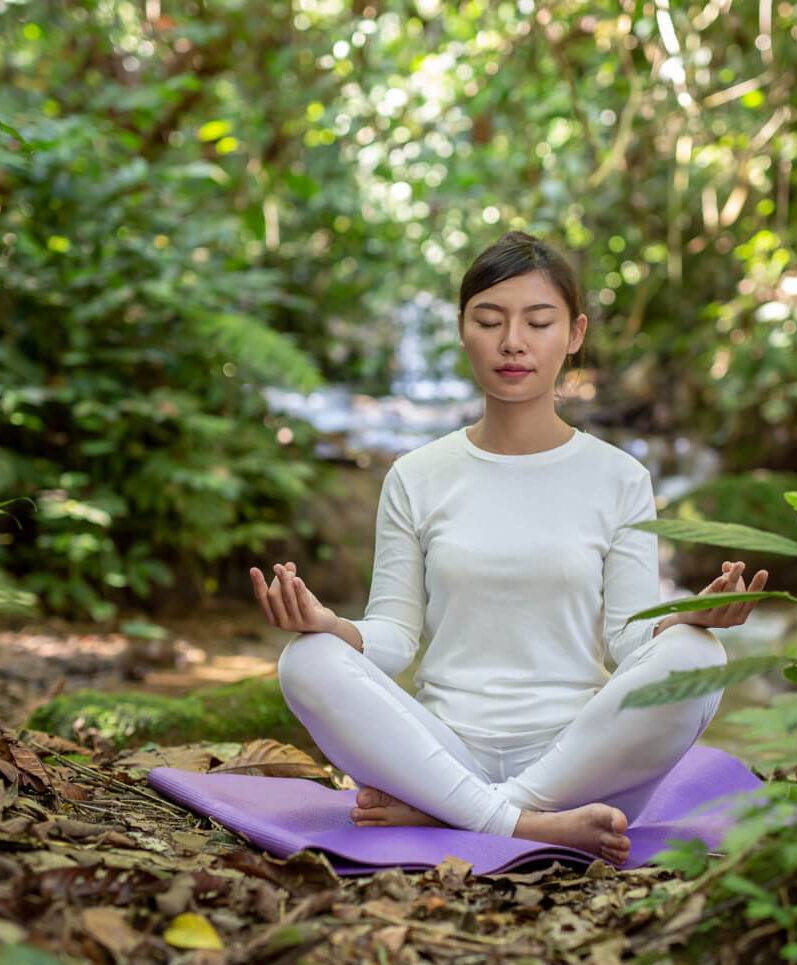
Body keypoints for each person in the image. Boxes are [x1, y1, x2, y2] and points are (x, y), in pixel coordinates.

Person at [249, 231, 767, 866]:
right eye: (489, 321)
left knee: (697, 654)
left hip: (580, 761)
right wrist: (332, 627)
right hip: (443, 747)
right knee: (307, 661)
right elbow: (393, 636)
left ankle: (467, 811)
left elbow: (631, 645)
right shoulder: (417, 474)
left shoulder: (620, 477)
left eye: (538, 322)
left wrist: (684, 619)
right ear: (463, 330)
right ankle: (518, 823)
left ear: (574, 334)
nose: (512, 342)